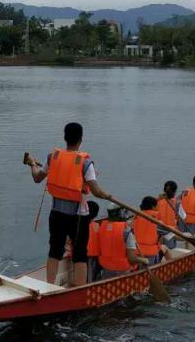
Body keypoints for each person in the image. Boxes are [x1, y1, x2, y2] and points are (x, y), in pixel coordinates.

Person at [27, 121, 116, 287]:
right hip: (78, 217)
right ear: (81, 139)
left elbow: (37, 178)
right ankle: (80, 287)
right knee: (80, 252)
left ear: (64, 137)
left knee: (55, 250)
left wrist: (32, 165)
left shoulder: (52, 157)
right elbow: (96, 191)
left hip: (56, 213)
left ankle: (49, 285)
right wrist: (107, 195)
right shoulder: (85, 163)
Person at [88, 204, 146, 280]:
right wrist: (144, 260)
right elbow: (131, 259)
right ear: (121, 213)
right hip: (122, 268)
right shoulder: (126, 231)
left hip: (106, 266)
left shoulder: (101, 227)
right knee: (142, 261)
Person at [132, 196, 170, 265]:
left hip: (137, 252)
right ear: (153, 207)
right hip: (151, 254)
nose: (157, 208)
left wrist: (158, 198)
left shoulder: (136, 217)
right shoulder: (156, 219)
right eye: (157, 206)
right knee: (165, 248)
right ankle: (170, 267)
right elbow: (168, 233)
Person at [155, 180, 180, 250]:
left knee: (160, 251)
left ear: (164, 190)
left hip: (158, 232)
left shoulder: (157, 201)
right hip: (170, 233)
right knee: (170, 250)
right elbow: (182, 217)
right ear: (174, 192)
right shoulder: (177, 203)